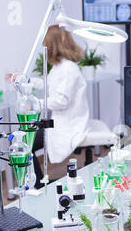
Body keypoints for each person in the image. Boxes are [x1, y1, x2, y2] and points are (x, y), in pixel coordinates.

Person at [32, 25, 89, 188]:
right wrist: (30, 83)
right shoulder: (61, 66)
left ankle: (39, 185)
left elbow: (61, 102)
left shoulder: (68, 69)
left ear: (52, 45)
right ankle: (39, 182)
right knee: (28, 139)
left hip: (69, 124)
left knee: (26, 143)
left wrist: (36, 103)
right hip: (61, 121)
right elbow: (50, 85)